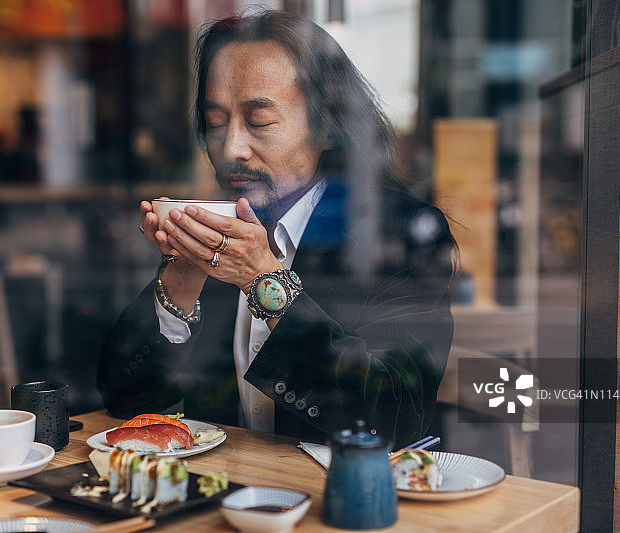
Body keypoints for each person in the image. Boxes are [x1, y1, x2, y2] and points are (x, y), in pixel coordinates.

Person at [98, 10, 455, 449]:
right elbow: (123, 403)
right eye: (215, 123)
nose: (230, 148)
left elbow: (397, 415)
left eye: (259, 121)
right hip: (224, 505)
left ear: (327, 126)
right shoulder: (220, 229)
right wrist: (182, 277)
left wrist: (263, 280)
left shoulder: (398, 233)